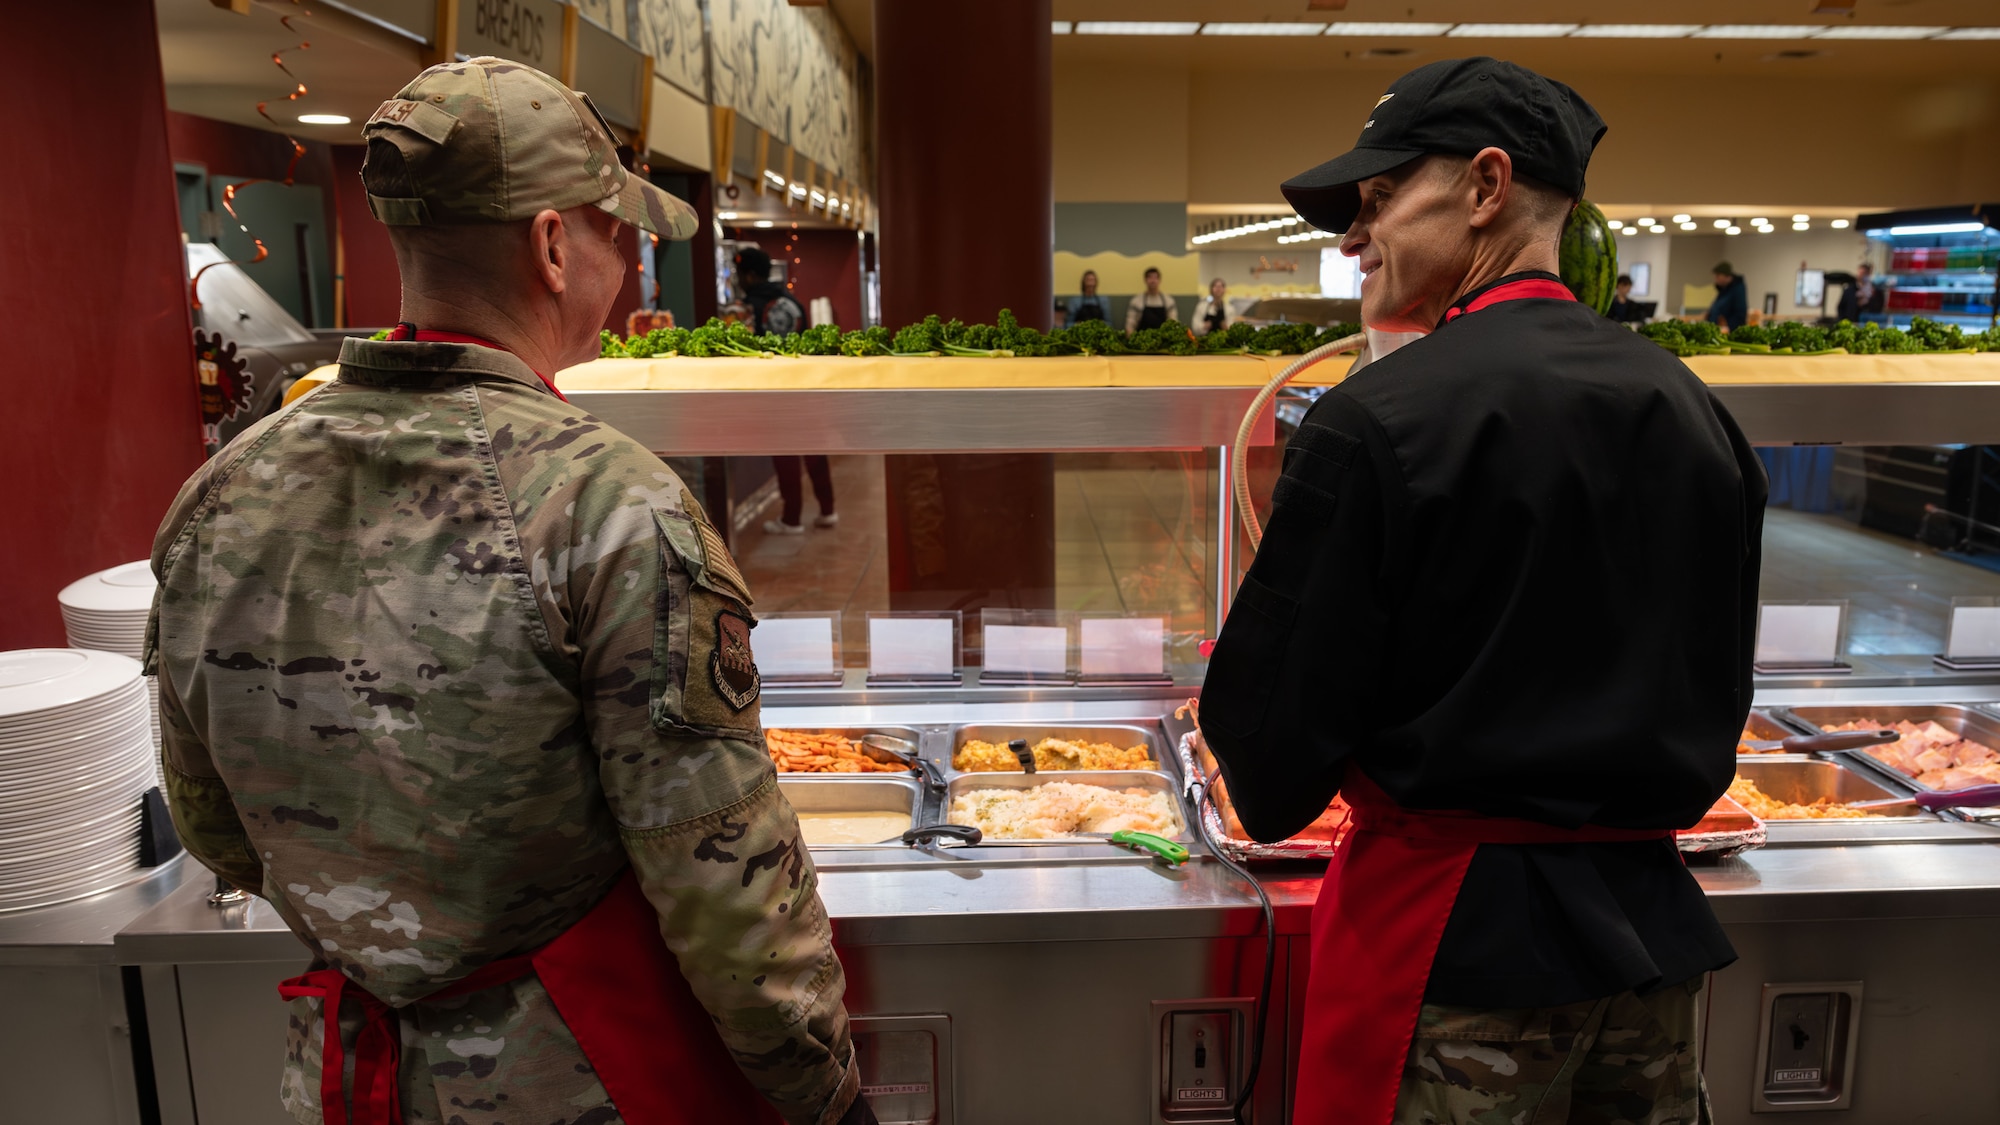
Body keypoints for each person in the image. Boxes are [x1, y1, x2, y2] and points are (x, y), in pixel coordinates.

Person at [149, 58, 876, 1125]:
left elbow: (213, 828)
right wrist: (823, 1092)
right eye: (615, 235)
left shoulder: (218, 493)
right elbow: (719, 881)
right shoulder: (608, 505)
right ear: (549, 245)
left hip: (350, 1072)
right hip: (567, 1074)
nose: (625, 267)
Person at [1200, 57, 1761, 1124]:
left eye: (1374, 202)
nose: (1348, 239)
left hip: (1452, 956)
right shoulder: (1693, 408)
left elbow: (1268, 758)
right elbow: (1714, 680)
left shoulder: (1374, 419)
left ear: (1484, 185)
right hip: (1647, 951)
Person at [738, 246, 837, 534]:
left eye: (740, 274)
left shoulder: (746, 308)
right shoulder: (792, 301)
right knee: (814, 449)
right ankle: (828, 510)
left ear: (751, 275)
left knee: (786, 454)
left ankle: (792, 519)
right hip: (804, 386)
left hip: (772, 390)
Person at [1125, 267, 1179, 332]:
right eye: (1150, 277)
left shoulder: (1169, 301)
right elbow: (1130, 325)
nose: (1153, 281)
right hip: (1142, 340)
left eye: (1155, 278)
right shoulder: (1136, 301)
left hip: (1163, 340)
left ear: (1159, 280)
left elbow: (1173, 323)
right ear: (1145, 280)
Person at [1707, 260, 1749, 331]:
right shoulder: (1724, 289)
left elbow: (1740, 313)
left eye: (1718, 276)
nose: (1716, 279)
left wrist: (1729, 327)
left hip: (1729, 331)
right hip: (1717, 328)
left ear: (1726, 276)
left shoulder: (1737, 289)